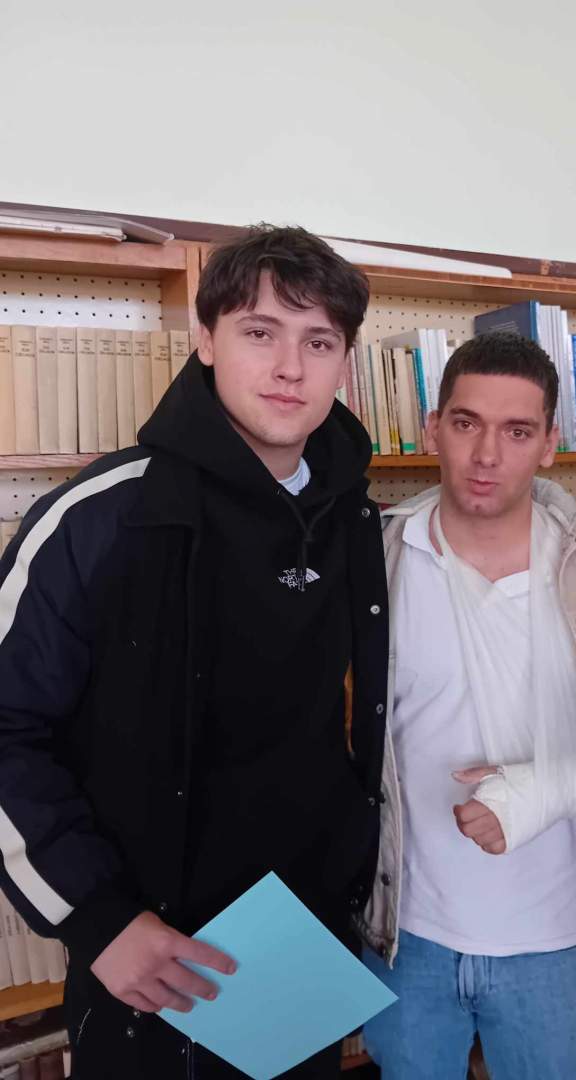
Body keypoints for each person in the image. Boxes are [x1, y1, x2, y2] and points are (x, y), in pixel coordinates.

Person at [0, 225, 388, 1079]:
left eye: (318, 342)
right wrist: (97, 919)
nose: (289, 368)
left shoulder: (360, 523)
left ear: (344, 364)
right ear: (206, 340)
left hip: (302, 959)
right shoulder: (101, 518)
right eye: (260, 332)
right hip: (147, 965)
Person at [359, 331, 576, 1079]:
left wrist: (537, 792)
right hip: (406, 938)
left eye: (517, 431)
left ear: (550, 445)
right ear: (433, 428)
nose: (486, 455)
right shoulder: (373, 570)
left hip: (552, 942)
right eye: (466, 423)